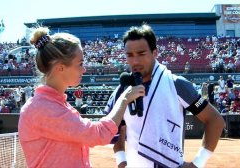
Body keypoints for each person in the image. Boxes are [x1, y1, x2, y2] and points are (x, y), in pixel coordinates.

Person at [18, 27, 145, 168]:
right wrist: (124, 98)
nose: (84, 69)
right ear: (60, 68)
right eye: (80, 64)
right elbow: (99, 134)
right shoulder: (43, 108)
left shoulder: (53, 104)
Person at [104, 24, 225, 168]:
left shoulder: (176, 85)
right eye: (129, 55)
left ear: (154, 53)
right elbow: (119, 129)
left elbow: (215, 120)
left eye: (141, 54)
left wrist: (197, 163)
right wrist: (121, 161)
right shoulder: (122, 92)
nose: (135, 61)